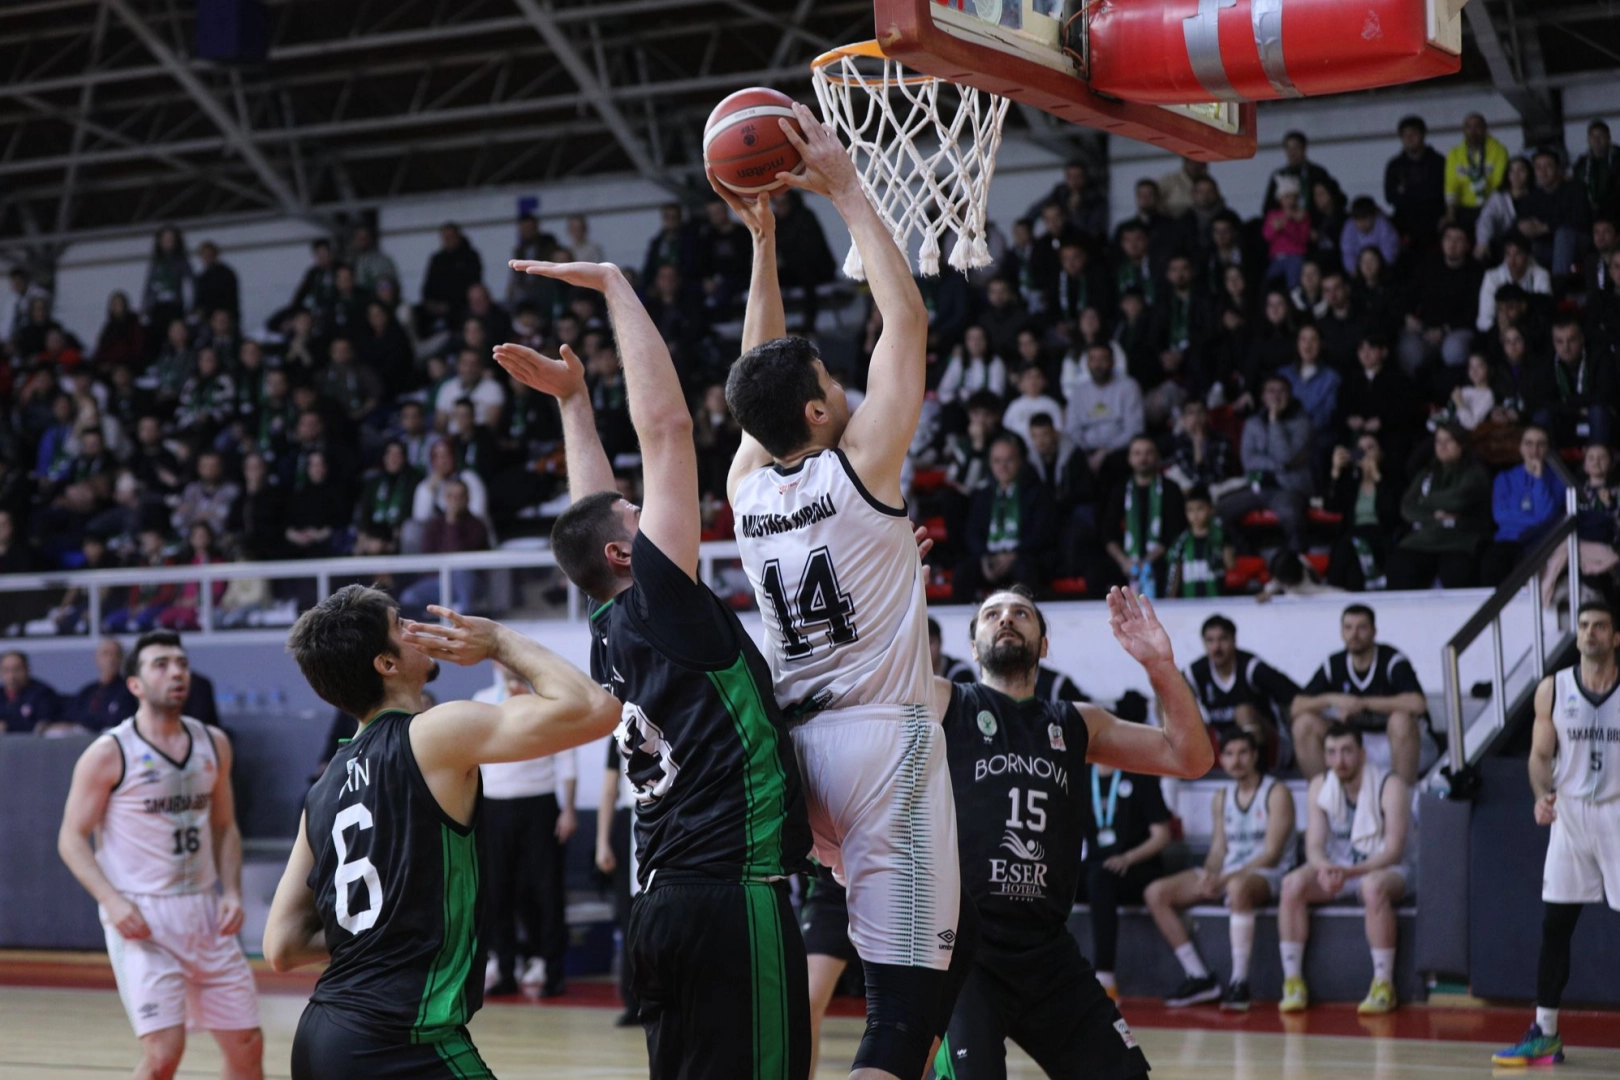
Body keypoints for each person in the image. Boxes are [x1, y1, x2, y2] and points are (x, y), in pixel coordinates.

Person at [497, 251, 815, 1078]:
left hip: (660, 903)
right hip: (729, 893)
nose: (655, 512)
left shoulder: (609, 626)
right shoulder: (662, 604)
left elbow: (592, 510)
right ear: (624, 553)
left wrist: (574, 405)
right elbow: (669, 429)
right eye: (642, 518)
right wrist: (614, 286)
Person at [720, 104, 974, 1080]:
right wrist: (848, 192)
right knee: (906, 1018)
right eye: (834, 380)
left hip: (797, 757)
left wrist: (766, 250)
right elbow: (906, 320)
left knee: (850, 984)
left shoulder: (746, 495)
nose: (847, 388)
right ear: (821, 410)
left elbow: (756, 384)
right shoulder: (861, 468)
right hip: (882, 745)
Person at [264, 586, 617, 1080]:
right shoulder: (433, 734)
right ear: (386, 663)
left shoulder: (322, 790)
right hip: (400, 1037)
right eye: (401, 626)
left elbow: (281, 946)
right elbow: (594, 708)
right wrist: (496, 641)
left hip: (321, 1037)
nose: (416, 630)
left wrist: (381, 926)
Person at [933, 586, 1211, 1078]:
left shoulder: (1076, 722)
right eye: (991, 614)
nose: (1007, 619)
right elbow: (869, 687)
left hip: (1047, 951)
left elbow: (1190, 758)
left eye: (1022, 613)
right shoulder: (945, 702)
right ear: (973, 646)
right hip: (966, 951)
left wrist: (1160, 667)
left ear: (1043, 644)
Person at [56, 630, 264, 1080]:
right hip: (143, 914)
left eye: (181, 663)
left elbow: (225, 827)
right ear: (134, 684)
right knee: (163, 1055)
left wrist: (231, 890)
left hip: (206, 910)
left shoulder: (213, 743)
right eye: (161, 664)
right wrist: (112, 902)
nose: (176, 672)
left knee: (247, 1045)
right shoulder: (109, 752)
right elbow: (71, 839)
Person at [1493, 602, 1620, 1065]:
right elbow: (1539, 756)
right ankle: (1545, 1032)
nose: (1590, 634)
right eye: (1584, 626)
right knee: (1555, 925)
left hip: (1617, 813)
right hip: (1570, 814)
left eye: (1600, 626)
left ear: (1615, 637)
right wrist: (1541, 793)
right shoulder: (1553, 688)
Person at [1145, 729, 1297, 1011]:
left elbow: (1272, 854)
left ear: (1254, 756)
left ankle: (1240, 982)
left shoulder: (1276, 792)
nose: (1236, 760)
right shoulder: (1221, 796)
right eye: (1228, 754)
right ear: (1222, 760)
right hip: (1230, 872)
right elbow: (1218, 849)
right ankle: (1199, 976)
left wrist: (1226, 879)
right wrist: (1209, 874)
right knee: (1156, 893)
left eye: (1242, 753)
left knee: (1238, 888)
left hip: (1269, 874)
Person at [1277, 722, 1412, 1015]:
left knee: (1372, 887)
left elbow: (1392, 851)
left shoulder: (1390, 785)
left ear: (1363, 754)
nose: (1340, 760)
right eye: (1332, 753)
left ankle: (1383, 984)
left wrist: (1348, 872)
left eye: (1347, 751)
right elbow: (1313, 846)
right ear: (1325, 757)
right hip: (1339, 870)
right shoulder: (1319, 785)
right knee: (1291, 884)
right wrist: (1325, 869)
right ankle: (1293, 981)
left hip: (1385, 870)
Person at [476, 663, 576, 998]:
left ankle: (553, 970)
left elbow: (566, 760)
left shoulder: (545, 704)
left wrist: (569, 809)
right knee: (497, 892)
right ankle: (505, 968)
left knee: (547, 890)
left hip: (539, 804)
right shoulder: (484, 700)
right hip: (494, 804)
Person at [1291, 604, 1430, 785]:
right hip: (1356, 745)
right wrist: (1332, 698)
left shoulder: (1392, 661)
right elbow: (1296, 706)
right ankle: (1323, 797)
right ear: (1341, 632)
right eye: (1348, 628)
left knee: (1400, 721)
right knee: (1303, 724)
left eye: (1361, 627)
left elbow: (1418, 703)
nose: (1354, 634)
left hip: (1402, 743)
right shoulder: (1334, 663)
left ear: (1374, 631)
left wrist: (1363, 703)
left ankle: (1403, 800)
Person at [951, 432, 1057, 602]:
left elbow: (1042, 534)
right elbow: (972, 532)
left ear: (1020, 461)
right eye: (997, 461)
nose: (1003, 467)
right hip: (990, 558)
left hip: (1022, 557)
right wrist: (983, 557)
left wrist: (1014, 555)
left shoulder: (1036, 493)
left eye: (1009, 460)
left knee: (1026, 569)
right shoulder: (983, 495)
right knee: (963, 572)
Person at [1388, 423, 1493, 591]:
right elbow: (1407, 507)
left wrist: (1423, 500)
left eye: (1448, 441)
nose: (1442, 446)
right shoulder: (1426, 473)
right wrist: (1434, 517)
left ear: (1462, 444)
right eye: (1438, 441)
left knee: (1457, 573)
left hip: (1460, 540)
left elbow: (1459, 500)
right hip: (1423, 540)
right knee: (1400, 566)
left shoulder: (1475, 472)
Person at [1218, 374, 1313, 554]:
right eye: (1271, 391)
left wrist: (1274, 421)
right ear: (1262, 396)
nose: (1276, 396)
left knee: (1290, 515)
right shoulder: (1252, 423)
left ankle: (1298, 562)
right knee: (1220, 510)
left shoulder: (1303, 423)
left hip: (1289, 488)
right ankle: (1246, 553)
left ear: (1290, 395)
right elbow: (1249, 461)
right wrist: (1282, 466)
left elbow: (1285, 456)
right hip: (1256, 486)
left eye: (1281, 391)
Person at [1184, 614, 1300, 763]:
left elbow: (1295, 695)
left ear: (1234, 640)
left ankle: (1258, 777)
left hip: (1270, 745)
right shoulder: (1197, 672)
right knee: (1167, 704)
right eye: (1210, 640)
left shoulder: (1252, 668)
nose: (1216, 647)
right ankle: (1172, 776)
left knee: (1243, 712)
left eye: (1222, 639)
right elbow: (1165, 698)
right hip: (1225, 748)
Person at [1482, 426, 1566, 586]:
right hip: (1507, 540)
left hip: (1540, 543)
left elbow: (1546, 517)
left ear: (1548, 449)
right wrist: (1535, 519)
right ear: (1521, 447)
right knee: (1491, 565)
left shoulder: (1558, 480)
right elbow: (1500, 516)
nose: (1534, 449)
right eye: (1529, 443)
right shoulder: (1504, 478)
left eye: (1541, 444)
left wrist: (1539, 479)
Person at [1102, 436, 1186, 597]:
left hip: (1159, 559)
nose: (1143, 458)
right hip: (1124, 560)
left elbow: (1174, 532)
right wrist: (1124, 562)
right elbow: (1108, 532)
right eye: (1137, 453)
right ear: (1129, 459)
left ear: (1157, 457)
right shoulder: (1119, 490)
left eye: (1148, 453)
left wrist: (1146, 562)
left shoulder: (1171, 489)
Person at [1445, 112, 1509, 234]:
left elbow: (1499, 181)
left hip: (1491, 207)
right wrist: (1450, 214)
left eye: (1477, 126)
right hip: (1464, 209)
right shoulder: (1454, 153)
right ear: (1464, 130)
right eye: (1468, 127)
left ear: (1485, 129)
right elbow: (1451, 185)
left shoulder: (1499, 150)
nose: (1473, 131)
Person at [1166, 485, 1234, 598]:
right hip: (1190, 602)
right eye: (1190, 510)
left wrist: (1223, 539)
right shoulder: (1181, 541)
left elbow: (1231, 565)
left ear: (1211, 510)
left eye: (1200, 509)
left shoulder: (1219, 536)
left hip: (1216, 599)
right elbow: (1175, 573)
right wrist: (1170, 599)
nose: (1195, 515)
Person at [68, 638, 141, 732]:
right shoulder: (87, 692)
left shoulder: (130, 690)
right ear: (96, 658)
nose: (111, 659)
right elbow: (73, 717)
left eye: (116, 654)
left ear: (123, 660)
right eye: (106, 654)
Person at [0, 648, 62, 732]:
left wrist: (8, 726)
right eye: (6, 671)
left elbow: (42, 725)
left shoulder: (43, 693)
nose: (12, 676)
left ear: (27, 669)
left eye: (17, 670)